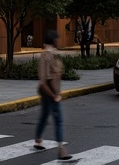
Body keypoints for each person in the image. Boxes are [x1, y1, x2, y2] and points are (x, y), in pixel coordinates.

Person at [34, 29, 72, 161]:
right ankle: (62, 151)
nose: (59, 40)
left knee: (45, 116)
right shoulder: (47, 55)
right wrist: (54, 96)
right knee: (58, 120)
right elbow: (44, 81)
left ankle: (38, 139)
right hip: (49, 94)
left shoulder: (53, 53)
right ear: (54, 39)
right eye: (58, 38)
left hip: (50, 93)